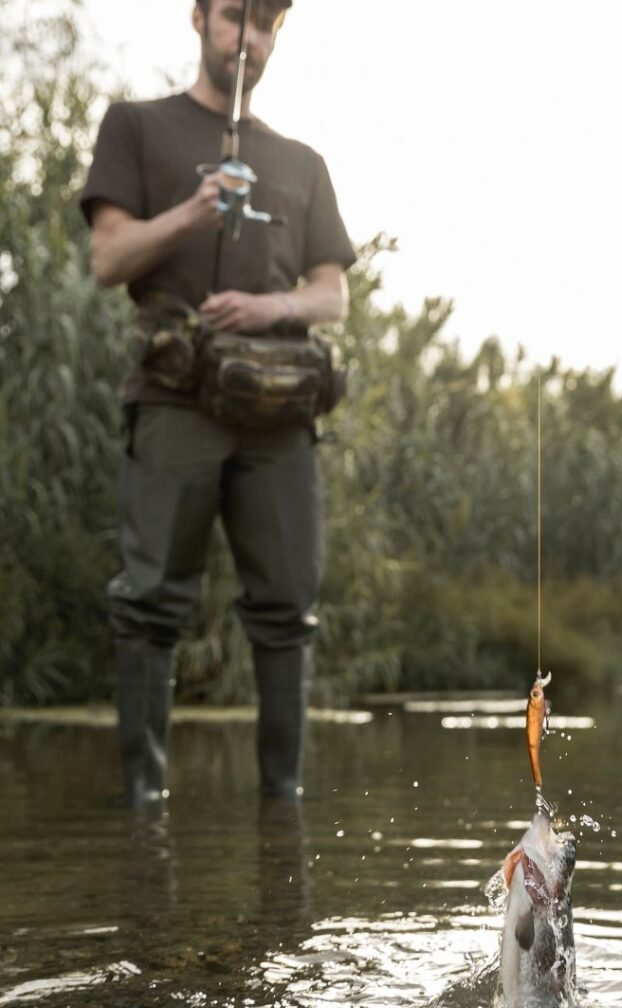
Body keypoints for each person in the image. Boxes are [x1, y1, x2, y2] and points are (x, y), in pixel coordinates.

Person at [80, 0, 357, 806]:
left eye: (266, 26)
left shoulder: (303, 162)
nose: (250, 41)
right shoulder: (136, 126)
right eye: (236, 18)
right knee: (151, 607)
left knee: (287, 613)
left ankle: (285, 810)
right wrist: (195, 210)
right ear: (199, 19)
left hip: (279, 416)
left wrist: (268, 309)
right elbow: (107, 259)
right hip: (174, 402)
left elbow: (331, 295)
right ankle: (145, 809)